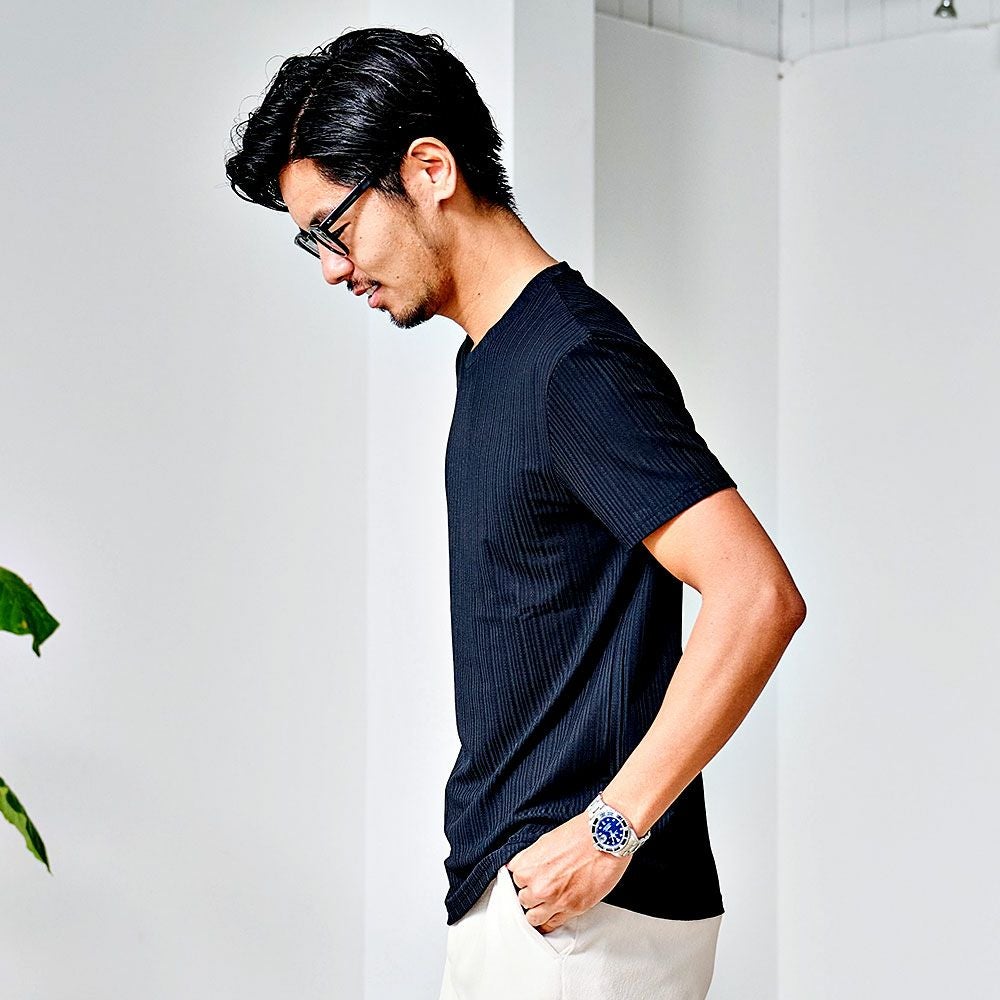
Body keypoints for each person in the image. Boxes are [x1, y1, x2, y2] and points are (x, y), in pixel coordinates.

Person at [225, 26, 806, 1000]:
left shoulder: (570, 364)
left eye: (334, 227)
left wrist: (609, 831)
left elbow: (757, 595)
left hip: (578, 923)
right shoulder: (495, 358)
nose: (331, 267)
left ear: (430, 170)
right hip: (537, 907)